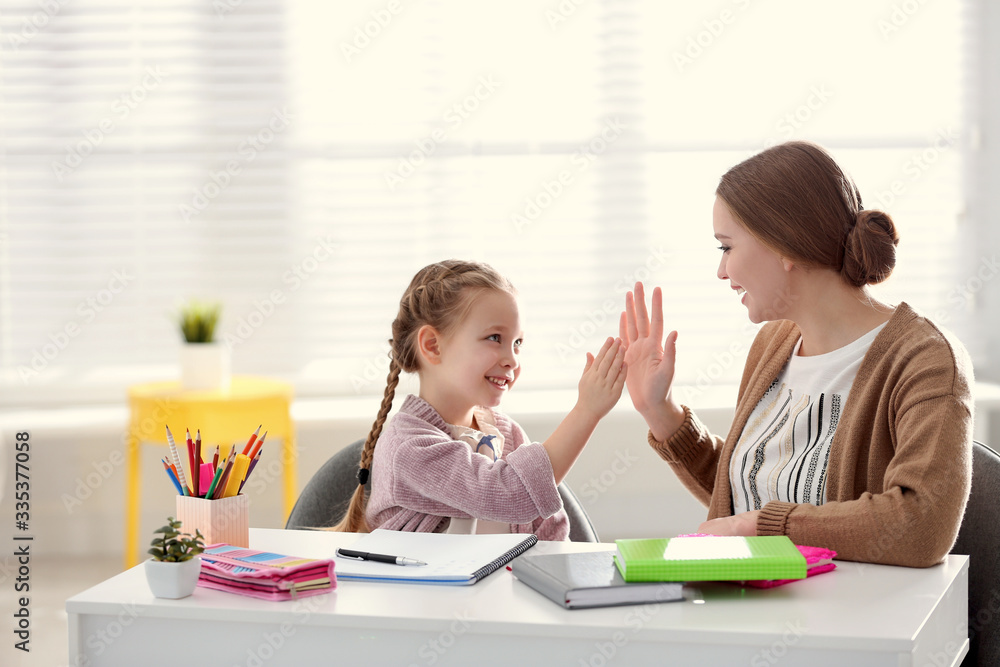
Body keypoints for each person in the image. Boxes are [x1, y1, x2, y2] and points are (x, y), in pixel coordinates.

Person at [620, 141, 974, 567]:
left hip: (851, 622)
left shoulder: (926, 362)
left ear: (783, 244)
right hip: (752, 608)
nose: (721, 270)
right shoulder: (773, 345)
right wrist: (660, 412)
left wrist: (758, 529)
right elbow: (753, 491)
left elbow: (920, 525)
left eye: (726, 247)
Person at [335, 259, 627, 539]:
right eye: (495, 338)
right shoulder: (409, 447)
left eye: (518, 343)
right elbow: (511, 493)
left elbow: (547, 531)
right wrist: (587, 411)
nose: (512, 358)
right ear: (433, 346)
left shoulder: (508, 434)